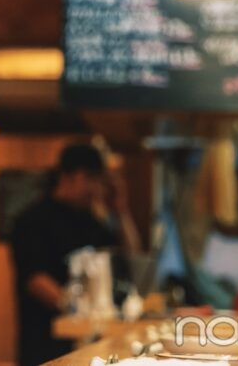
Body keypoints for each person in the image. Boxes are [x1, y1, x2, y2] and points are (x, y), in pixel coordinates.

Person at [9, 144, 140, 365]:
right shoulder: (32, 221)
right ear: (76, 177)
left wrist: (121, 211)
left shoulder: (91, 221)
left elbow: (132, 256)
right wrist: (79, 310)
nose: (98, 189)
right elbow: (34, 279)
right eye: (95, 180)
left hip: (88, 341)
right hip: (45, 342)